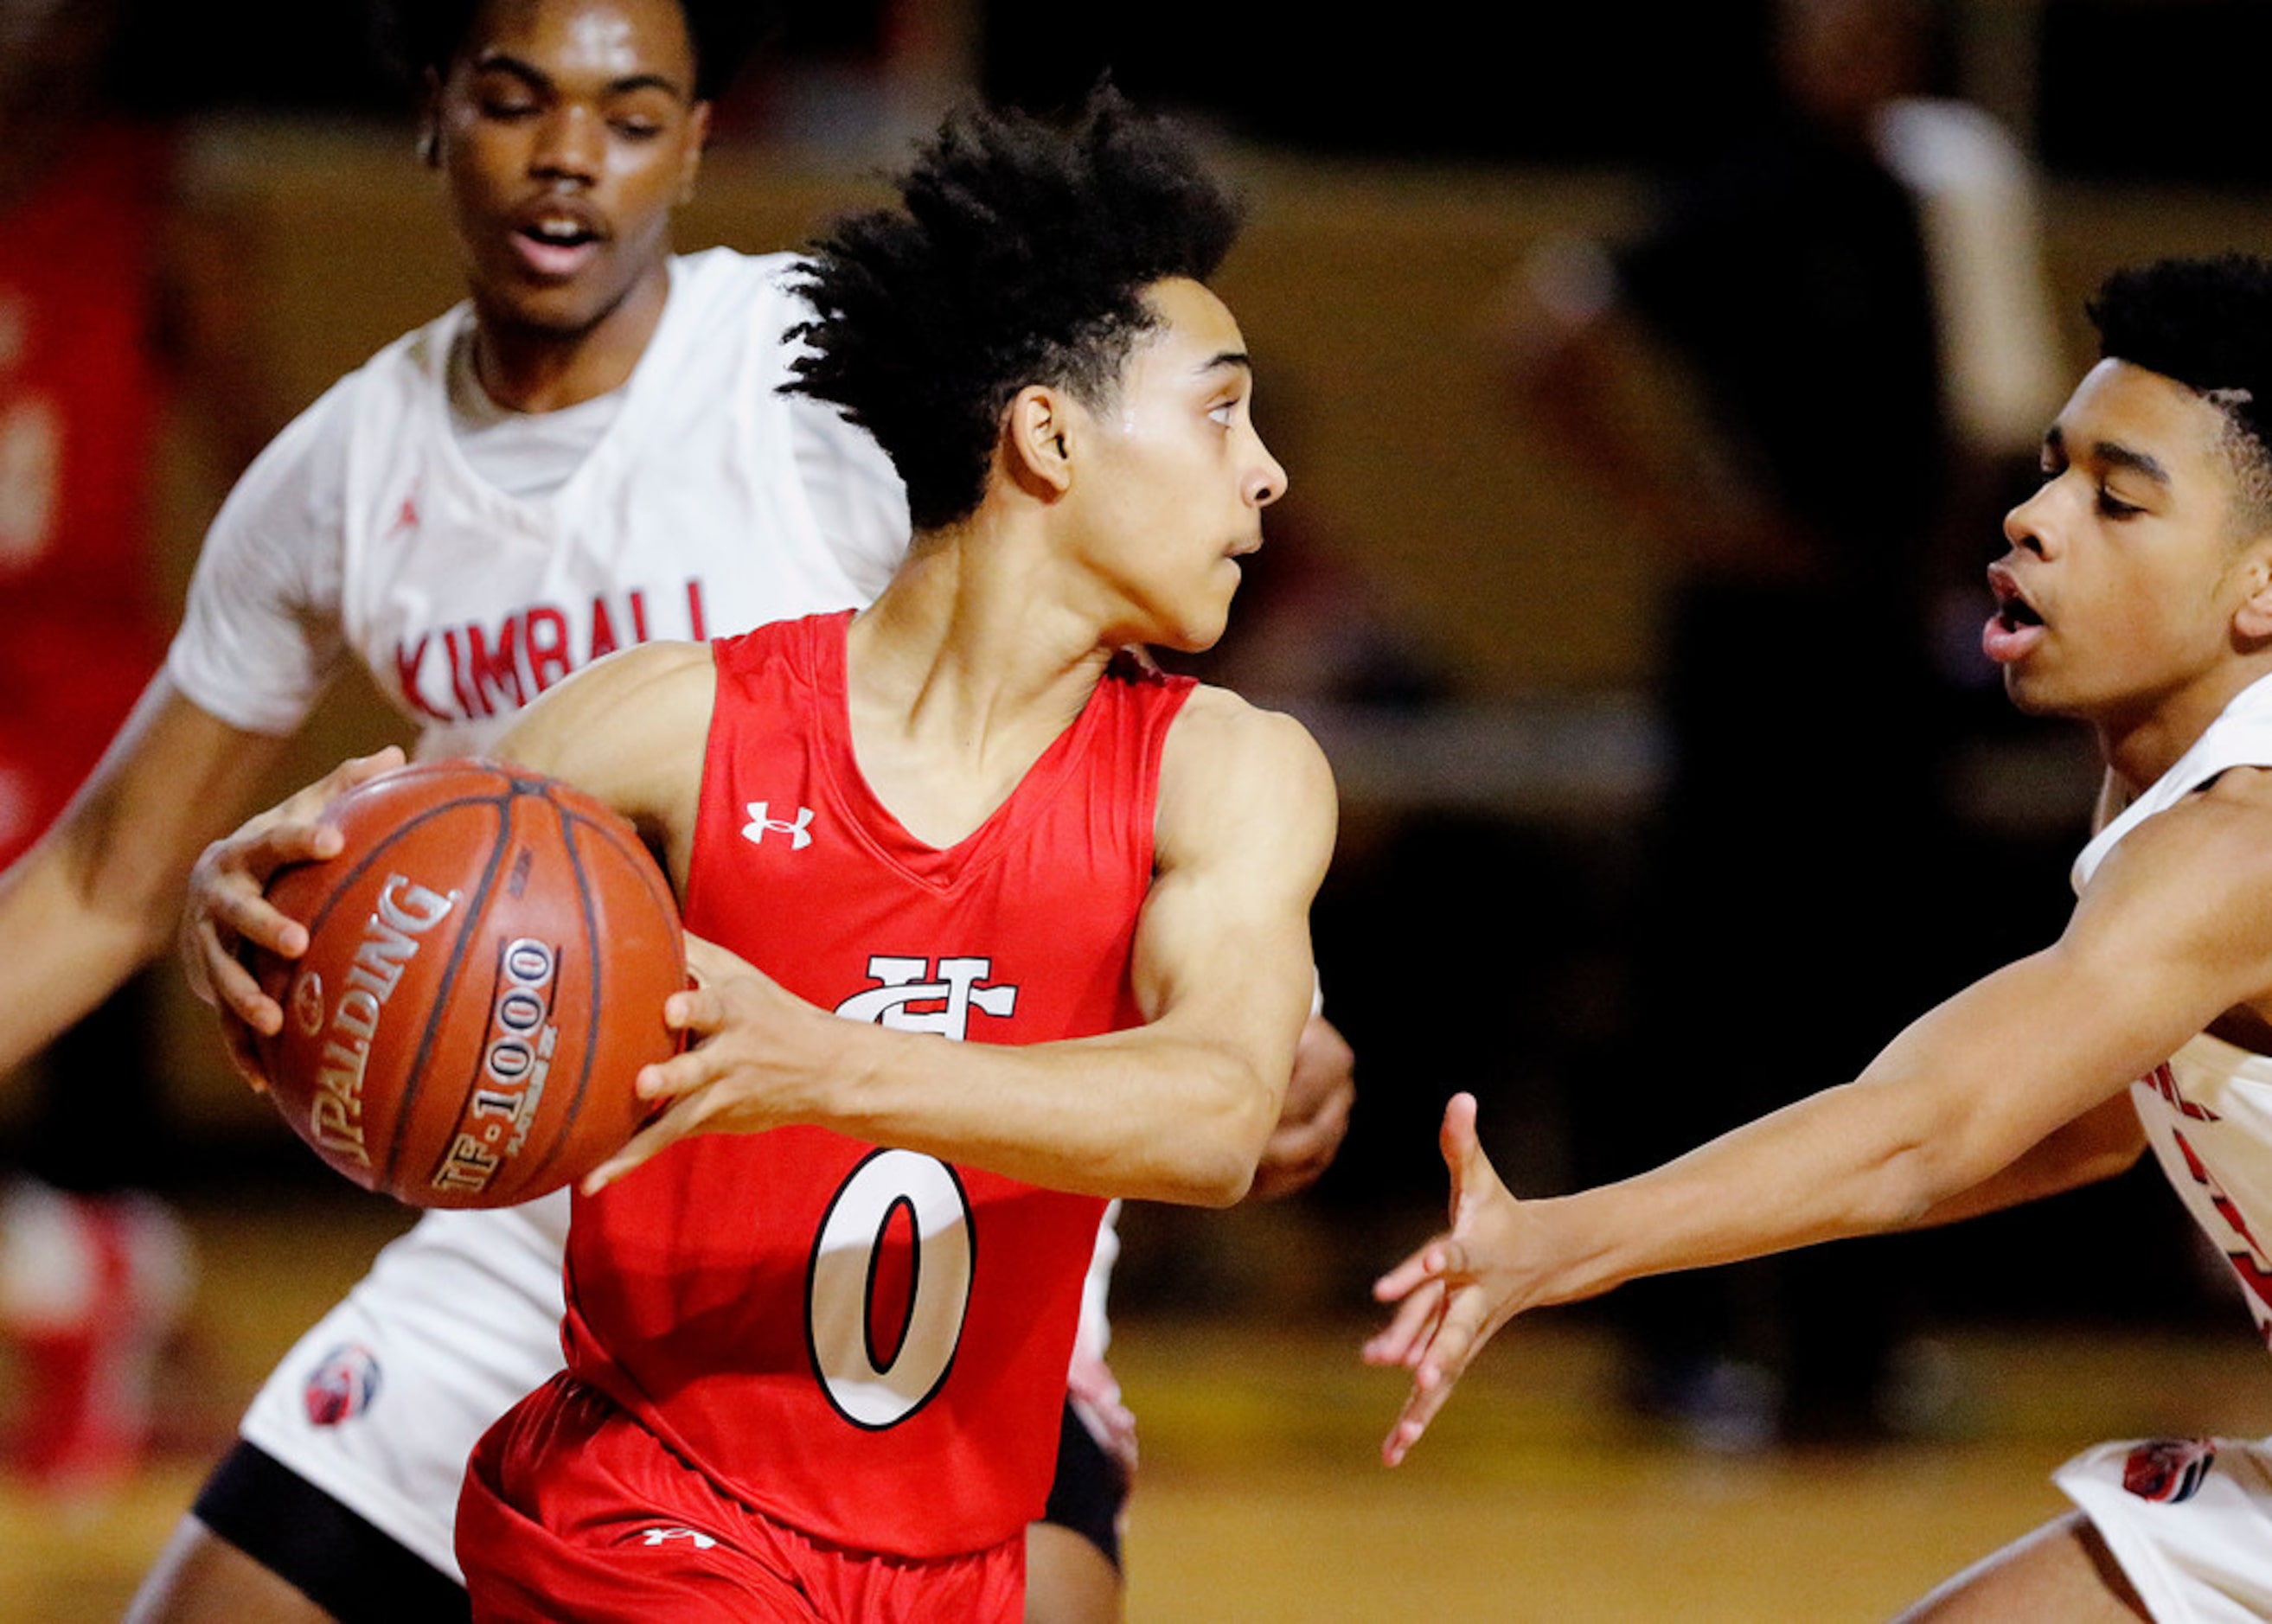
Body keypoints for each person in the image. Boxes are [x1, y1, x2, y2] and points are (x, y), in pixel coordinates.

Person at [0, 0, 1354, 1617]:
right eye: (516, 100)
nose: (571, 157)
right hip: (566, 1165)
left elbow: (1071, 653)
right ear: (434, 109)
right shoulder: (354, 472)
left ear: (701, 139)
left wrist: (1256, 998)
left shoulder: (818, 374)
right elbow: (115, 875)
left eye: (632, 114)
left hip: (934, 1179)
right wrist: (283, 891)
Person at [1371, 251, 2272, 1621]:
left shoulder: (2238, 840)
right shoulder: (2162, 797)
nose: (2032, 518)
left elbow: (1929, 1124)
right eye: (2047, 471)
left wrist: (1564, 1239)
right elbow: (2090, 1114)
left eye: (2115, 498)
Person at [1502, 0, 2064, 1446]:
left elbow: (1990, 418)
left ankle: (1848, 1351)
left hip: (1881, 657)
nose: (1846, 53)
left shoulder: (1930, 194)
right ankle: (1678, 1341)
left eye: (1872, 30)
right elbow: (1537, 345)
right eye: (1824, 28)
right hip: (1750, 661)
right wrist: (1681, 518)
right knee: (1710, 985)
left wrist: (1951, 575)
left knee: (1881, 996)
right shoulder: (1729, 198)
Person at [0, 0, 275, 1491]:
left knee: (92, 1077)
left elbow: (268, 460)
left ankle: (109, 1290)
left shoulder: (158, 205)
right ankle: (103, 1285)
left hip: (85, 689)